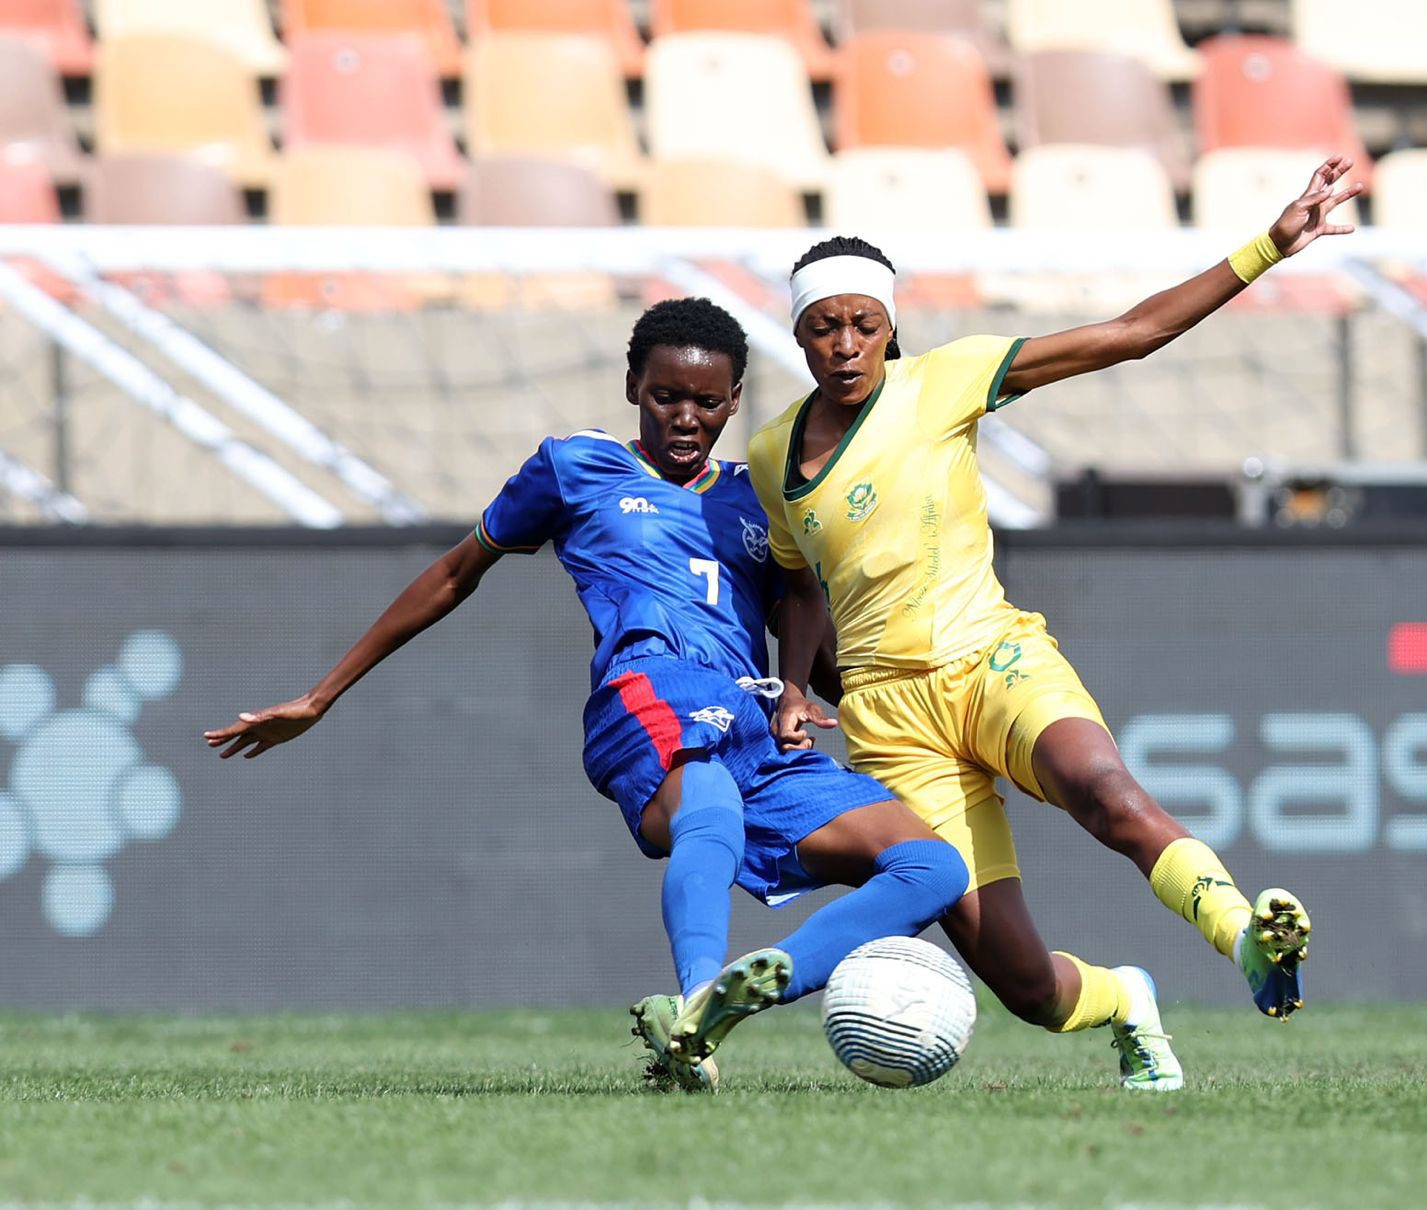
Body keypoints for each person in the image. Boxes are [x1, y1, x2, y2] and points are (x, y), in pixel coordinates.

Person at [203, 298, 976, 1094]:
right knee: (707, 803)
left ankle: (748, 993)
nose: (684, 417)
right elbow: (452, 574)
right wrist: (323, 693)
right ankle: (698, 1006)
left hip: (754, 717)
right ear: (633, 386)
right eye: (665, 396)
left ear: (735, 400)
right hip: (650, 686)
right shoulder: (576, 466)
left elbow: (801, 621)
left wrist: (845, 702)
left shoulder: (758, 494)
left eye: (706, 403)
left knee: (932, 868)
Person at [748, 156, 1363, 1083]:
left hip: (991, 659)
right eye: (823, 326)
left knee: (1103, 791)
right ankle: (1128, 999)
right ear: (797, 335)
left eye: (863, 324)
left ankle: (1247, 939)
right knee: (1028, 989)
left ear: (890, 328)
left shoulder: (946, 381)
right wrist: (793, 686)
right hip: (891, 724)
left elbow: (1131, 333)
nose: (845, 343)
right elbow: (797, 585)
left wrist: (1270, 245)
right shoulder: (770, 452)